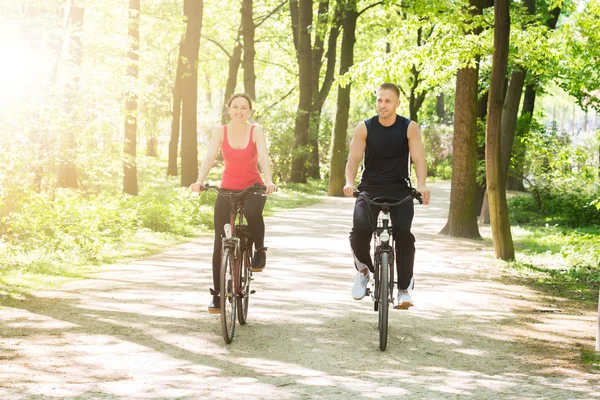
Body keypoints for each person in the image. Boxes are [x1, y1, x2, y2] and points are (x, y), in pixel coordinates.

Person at [343, 83, 430, 309]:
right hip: (370, 188)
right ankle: (363, 270)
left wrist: (421, 184)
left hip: (400, 188)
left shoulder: (409, 127)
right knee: (360, 229)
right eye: (380, 100)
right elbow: (353, 159)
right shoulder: (365, 127)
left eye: (388, 101)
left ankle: (403, 290)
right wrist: (349, 182)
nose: (383, 105)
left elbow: (419, 159)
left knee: (403, 235)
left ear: (397, 103)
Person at [190, 93, 277, 314]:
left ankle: (259, 249)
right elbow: (209, 157)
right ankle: (218, 295)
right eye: (235, 107)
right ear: (229, 108)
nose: (239, 111)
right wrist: (199, 181)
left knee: (251, 211)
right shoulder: (221, 131)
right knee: (220, 241)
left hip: (253, 187)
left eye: (244, 107)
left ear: (249, 111)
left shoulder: (255, 131)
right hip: (228, 187)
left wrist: (268, 180)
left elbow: (264, 158)